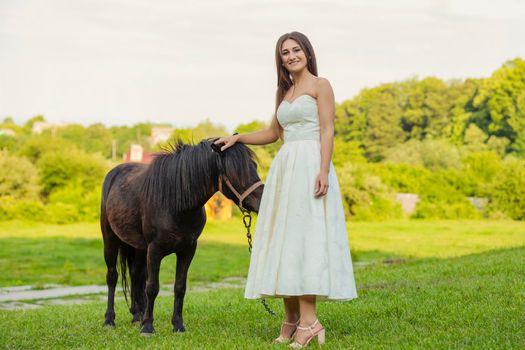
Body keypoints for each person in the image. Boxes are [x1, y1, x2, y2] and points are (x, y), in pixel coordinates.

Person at [214, 31, 357, 348]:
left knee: (306, 237)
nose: (291, 56)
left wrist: (322, 170)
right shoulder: (284, 91)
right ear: (279, 59)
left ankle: (310, 322)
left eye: (296, 50)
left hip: (309, 165)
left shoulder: (321, 85)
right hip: (285, 169)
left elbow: (328, 130)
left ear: (307, 52)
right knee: (286, 240)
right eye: (284, 52)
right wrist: (237, 138)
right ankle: (291, 320)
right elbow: (273, 132)